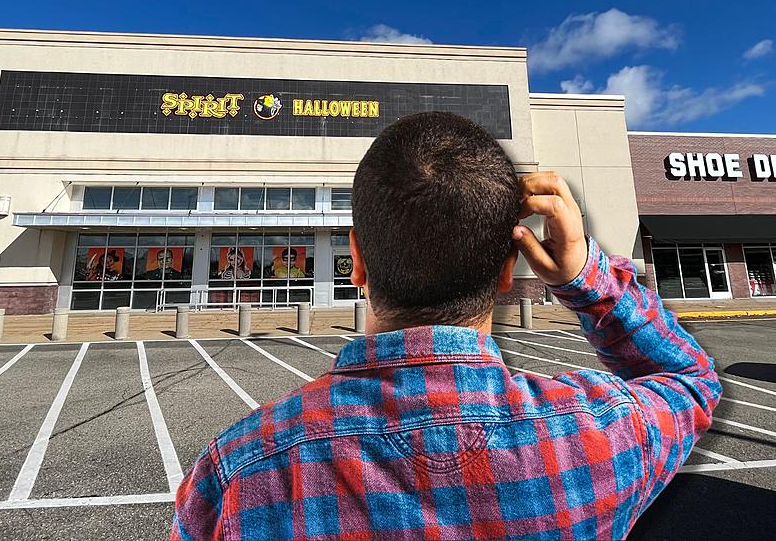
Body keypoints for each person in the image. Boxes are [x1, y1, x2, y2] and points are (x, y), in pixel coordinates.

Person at [171, 112, 721, 540]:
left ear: (357, 260)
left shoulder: (241, 473)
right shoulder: (599, 432)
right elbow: (690, 378)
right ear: (509, 266)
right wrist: (584, 277)